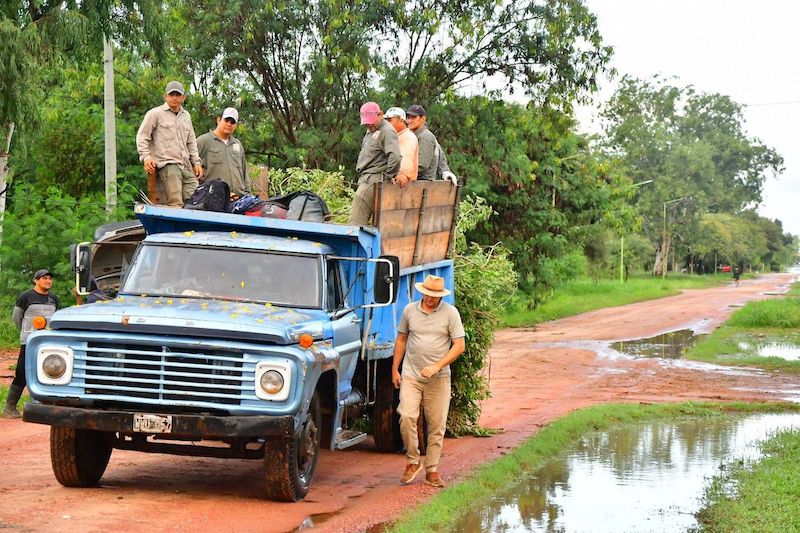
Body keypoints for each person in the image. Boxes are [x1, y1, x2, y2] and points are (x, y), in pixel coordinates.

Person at [391, 274, 465, 488]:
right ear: (422, 292)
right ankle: (413, 461)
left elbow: (459, 345)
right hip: (411, 374)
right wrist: (395, 369)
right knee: (406, 415)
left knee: (436, 424)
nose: (431, 298)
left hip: (438, 377)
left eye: (435, 295)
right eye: (428, 294)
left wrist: (437, 366)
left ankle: (432, 470)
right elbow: (402, 339)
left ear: (441, 295)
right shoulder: (409, 311)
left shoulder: (451, 313)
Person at [136, 80, 204, 207]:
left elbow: (191, 142)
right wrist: (146, 158)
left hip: (185, 164)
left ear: (183, 98)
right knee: (175, 203)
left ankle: (191, 227)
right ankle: (175, 226)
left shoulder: (186, 116)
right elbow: (142, 137)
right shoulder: (155, 113)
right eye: (171, 94)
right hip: (167, 163)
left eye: (178, 95)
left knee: (197, 200)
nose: (174, 98)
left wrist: (197, 163)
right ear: (165, 96)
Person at [3, 269, 61, 418]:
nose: (48, 281)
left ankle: (40, 406)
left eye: (50, 278)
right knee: (22, 372)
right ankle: (9, 407)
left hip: (48, 342)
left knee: (46, 372)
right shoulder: (26, 297)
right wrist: (27, 333)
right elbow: (17, 318)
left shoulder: (54, 299)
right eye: (44, 278)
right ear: (36, 280)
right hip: (29, 342)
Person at [349, 102, 401, 226]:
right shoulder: (371, 130)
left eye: (371, 121)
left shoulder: (387, 131)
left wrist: (388, 176)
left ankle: (356, 244)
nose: (369, 124)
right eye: (366, 122)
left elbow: (395, 156)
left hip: (374, 178)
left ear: (380, 115)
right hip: (366, 177)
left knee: (355, 222)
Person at [196, 107, 251, 198]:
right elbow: (190, 167)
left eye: (232, 122)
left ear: (236, 125)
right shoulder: (203, 141)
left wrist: (248, 194)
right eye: (226, 120)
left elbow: (244, 172)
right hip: (213, 199)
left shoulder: (237, 144)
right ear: (219, 120)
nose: (229, 124)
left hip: (238, 199)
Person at [405, 104, 458, 185]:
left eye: (413, 117)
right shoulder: (414, 135)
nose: (409, 121)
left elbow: (422, 165)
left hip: (422, 183)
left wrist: (402, 172)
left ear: (422, 118)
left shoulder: (425, 136)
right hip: (417, 182)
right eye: (408, 117)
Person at [384, 107, 418, 187]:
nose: (387, 124)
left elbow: (407, 157)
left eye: (390, 120)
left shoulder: (408, 137)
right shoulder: (396, 136)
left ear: (401, 120)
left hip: (401, 187)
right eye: (386, 120)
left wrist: (402, 173)